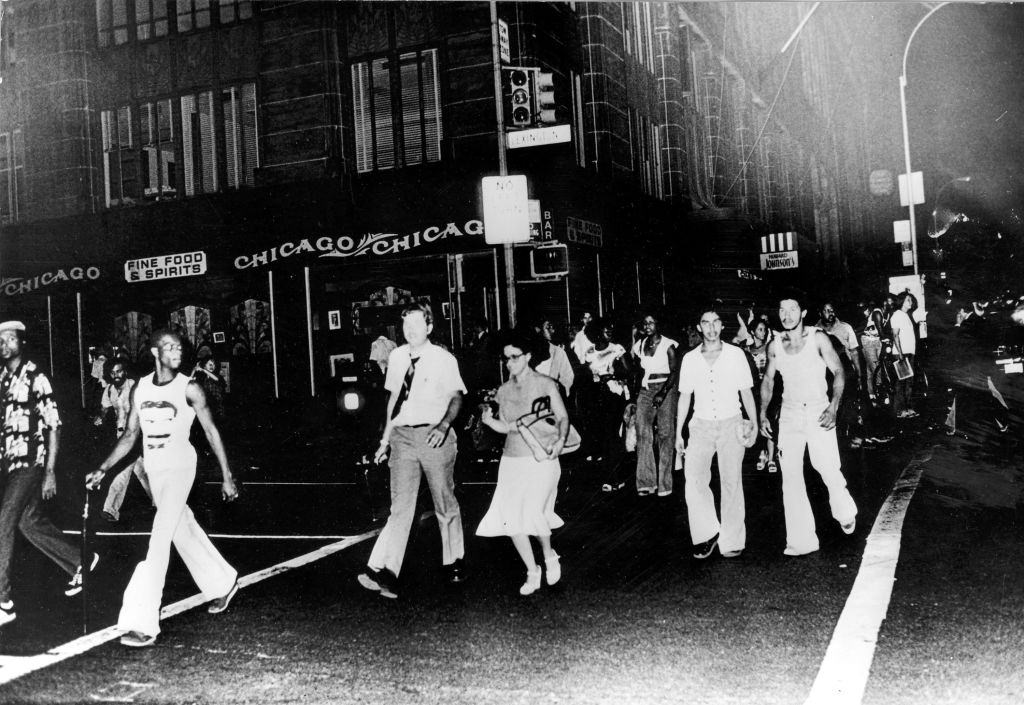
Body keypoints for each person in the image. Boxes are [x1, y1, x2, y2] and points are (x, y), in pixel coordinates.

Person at [86, 329, 240, 648]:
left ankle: (141, 621)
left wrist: (227, 475)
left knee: (159, 539)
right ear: (155, 352)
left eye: (179, 348)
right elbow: (130, 436)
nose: (177, 352)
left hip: (181, 465)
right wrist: (103, 467)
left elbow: (211, 432)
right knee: (180, 527)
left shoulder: (190, 387)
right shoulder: (139, 388)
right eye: (169, 347)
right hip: (155, 468)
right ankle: (223, 581)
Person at [358, 302, 467, 599]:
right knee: (401, 506)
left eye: (416, 325)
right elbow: (393, 401)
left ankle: (454, 560)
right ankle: (388, 572)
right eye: (406, 325)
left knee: (444, 500)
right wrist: (384, 441)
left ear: (429, 327)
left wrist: (444, 426)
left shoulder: (442, 358)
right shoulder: (395, 357)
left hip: (435, 434)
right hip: (403, 437)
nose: (410, 330)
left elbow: (456, 398)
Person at [0, 320, 96, 628]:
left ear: (22, 342)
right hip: (11, 464)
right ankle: (80, 560)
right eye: (0, 340)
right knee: (28, 523)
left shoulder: (36, 377)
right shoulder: (2, 378)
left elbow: (54, 425)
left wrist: (50, 471)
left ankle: (3, 600)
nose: (4, 344)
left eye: (9, 339)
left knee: (4, 520)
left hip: (32, 462)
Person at [759, 292, 858, 556]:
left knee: (826, 467)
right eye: (782, 309)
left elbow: (838, 371)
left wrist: (833, 406)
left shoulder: (817, 338)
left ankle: (845, 509)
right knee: (790, 476)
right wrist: (762, 413)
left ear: (802, 313)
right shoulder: (775, 345)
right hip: (790, 414)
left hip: (818, 410)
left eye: (792, 309)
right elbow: (768, 381)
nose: (787, 314)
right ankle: (802, 541)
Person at [476, 329, 567, 595]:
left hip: (542, 459)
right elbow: (508, 427)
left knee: (532, 513)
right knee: (511, 518)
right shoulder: (503, 391)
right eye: (506, 358)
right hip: (512, 461)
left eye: (515, 357)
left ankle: (549, 555)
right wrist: (489, 421)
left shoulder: (546, 384)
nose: (510, 363)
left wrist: (560, 441)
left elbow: (562, 418)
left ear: (528, 356)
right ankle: (532, 570)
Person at [675, 306, 758, 559]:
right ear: (699, 327)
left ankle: (732, 539)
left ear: (722, 326)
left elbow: (746, 392)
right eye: (705, 322)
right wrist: (679, 433)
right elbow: (684, 397)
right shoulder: (689, 358)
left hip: (730, 423)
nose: (710, 327)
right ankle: (707, 533)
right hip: (700, 426)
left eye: (715, 322)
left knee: (731, 482)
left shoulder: (736, 355)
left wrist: (753, 423)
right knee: (694, 482)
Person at [96, 358, 151, 523]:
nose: (116, 375)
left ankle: (110, 509)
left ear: (125, 371)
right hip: (120, 436)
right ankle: (159, 500)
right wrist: (100, 417)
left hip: (136, 435)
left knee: (122, 470)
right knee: (141, 471)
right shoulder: (109, 390)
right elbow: (104, 410)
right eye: (112, 372)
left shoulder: (135, 386)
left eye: (119, 371)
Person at [630, 311, 679, 497]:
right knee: (642, 431)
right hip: (646, 388)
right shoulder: (640, 344)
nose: (648, 326)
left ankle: (665, 484)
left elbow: (674, 372)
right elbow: (635, 365)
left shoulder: (668, 345)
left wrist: (663, 393)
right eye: (645, 323)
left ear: (659, 324)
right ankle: (645, 482)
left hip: (666, 387)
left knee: (666, 434)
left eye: (651, 322)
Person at [742, 317, 777, 472]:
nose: (763, 332)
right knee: (754, 420)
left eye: (765, 329)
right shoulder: (746, 350)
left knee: (769, 419)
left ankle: (771, 457)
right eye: (760, 329)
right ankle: (761, 453)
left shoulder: (769, 348)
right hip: (753, 391)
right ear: (752, 332)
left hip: (768, 390)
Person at [890, 292, 919, 418]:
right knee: (901, 383)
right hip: (901, 353)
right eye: (908, 300)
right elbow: (895, 335)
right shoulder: (897, 315)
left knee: (909, 382)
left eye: (911, 300)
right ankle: (899, 410)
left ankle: (908, 408)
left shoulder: (906, 315)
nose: (910, 302)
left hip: (909, 352)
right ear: (901, 301)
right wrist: (901, 354)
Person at [532, 318, 574, 399]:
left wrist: (559, 388)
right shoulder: (527, 353)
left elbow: (568, 376)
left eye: (553, 327)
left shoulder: (559, 352)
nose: (553, 331)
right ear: (538, 329)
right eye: (548, 327)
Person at [191, 354, 227, 421]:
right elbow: (190, 380)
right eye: (210, 364)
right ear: (205, 365)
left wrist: (203, 370)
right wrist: (194, 369)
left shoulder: (218, 377)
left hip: (217, 408)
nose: (212, 366)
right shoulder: (202, 378)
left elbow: (216, 379)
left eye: (213, 364)